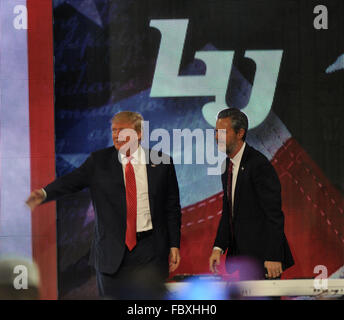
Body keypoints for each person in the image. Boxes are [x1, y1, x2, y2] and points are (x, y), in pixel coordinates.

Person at [26, 111, 181, 298]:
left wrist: (174, 245)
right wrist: (44, 193)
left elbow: (171, 208)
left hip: (149, 251)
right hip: (111, 252)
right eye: (114, 130)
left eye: (122, 130)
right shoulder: (98, 162)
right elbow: (71, 181)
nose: (116, 135)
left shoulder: (162, 161)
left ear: (139, 134)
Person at [209, 108, 294, 279]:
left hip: (264, 261)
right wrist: (218, 247)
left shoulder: (258, 165)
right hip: (241, 261)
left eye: (223, 132)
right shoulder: (227, 166)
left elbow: (273, 214)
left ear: (240, 133)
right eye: (216, 132)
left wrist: (273, 255)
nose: (217, 137)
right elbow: (229, 212)